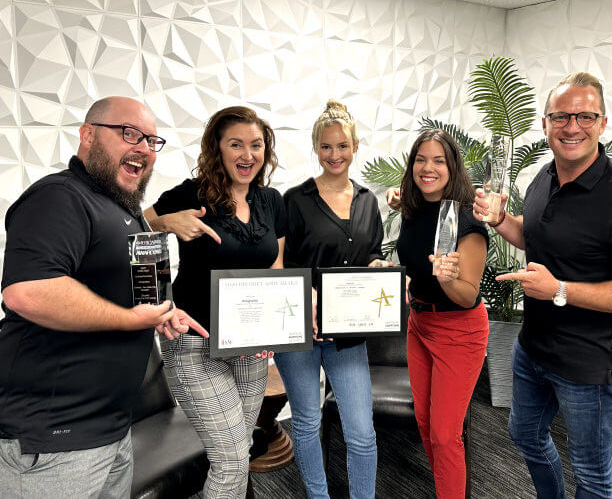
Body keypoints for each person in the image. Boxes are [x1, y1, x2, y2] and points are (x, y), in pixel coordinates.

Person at [0, 96, 205, 497]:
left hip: (111, 428)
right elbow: (29, 291)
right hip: (56, 439)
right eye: (130, 133)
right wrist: (131, 320)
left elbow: (108, 292)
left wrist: (159, 314)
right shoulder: (61, 196)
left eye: (152, 140)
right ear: (88, 134)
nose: (144, 148)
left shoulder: (122, 210)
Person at [473, 72, 612, 498]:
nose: (572, 126)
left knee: (591, 474)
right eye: (561, 116)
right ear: (545, 125)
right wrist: (501, 220)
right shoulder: (544, 177)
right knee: (524, 435)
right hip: (533, 349)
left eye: (584, 116)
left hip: (588, 364)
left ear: (602, 123)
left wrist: (561, 289)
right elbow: (535, 236)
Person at [143, 106, 285, 498]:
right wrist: (166, 223)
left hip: (249, 345)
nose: (247, 154)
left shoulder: (272, 201)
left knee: (240, 448)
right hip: (194, 343)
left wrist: (276, 326)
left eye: (256, 145)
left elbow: (276, 268)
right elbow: (131, 228)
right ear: (217, 148)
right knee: (232, 458)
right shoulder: (192, 194)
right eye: (235, 144)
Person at [275, 100, 388, 499]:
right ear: (315, 149)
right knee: (306, 422)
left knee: (361, 433)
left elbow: (372, 252)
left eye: (342, 146)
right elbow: (281, 263)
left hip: (348, 329)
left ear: (355, 146)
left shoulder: (368, 201)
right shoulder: (294, 200)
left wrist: (378, 267)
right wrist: (303, 290)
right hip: (300, 327)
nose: (334, 155)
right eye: (326, 147)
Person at [386, 129, 489, 498]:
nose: (428, 168)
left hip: (459, 330)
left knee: (446, 436)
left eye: (438, 161)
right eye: (420, 159)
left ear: (453, 167)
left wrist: (446, 279)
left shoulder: (465, 221)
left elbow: (467, 296)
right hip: (419, 325)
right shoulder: (415, 208)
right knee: (427, 424)